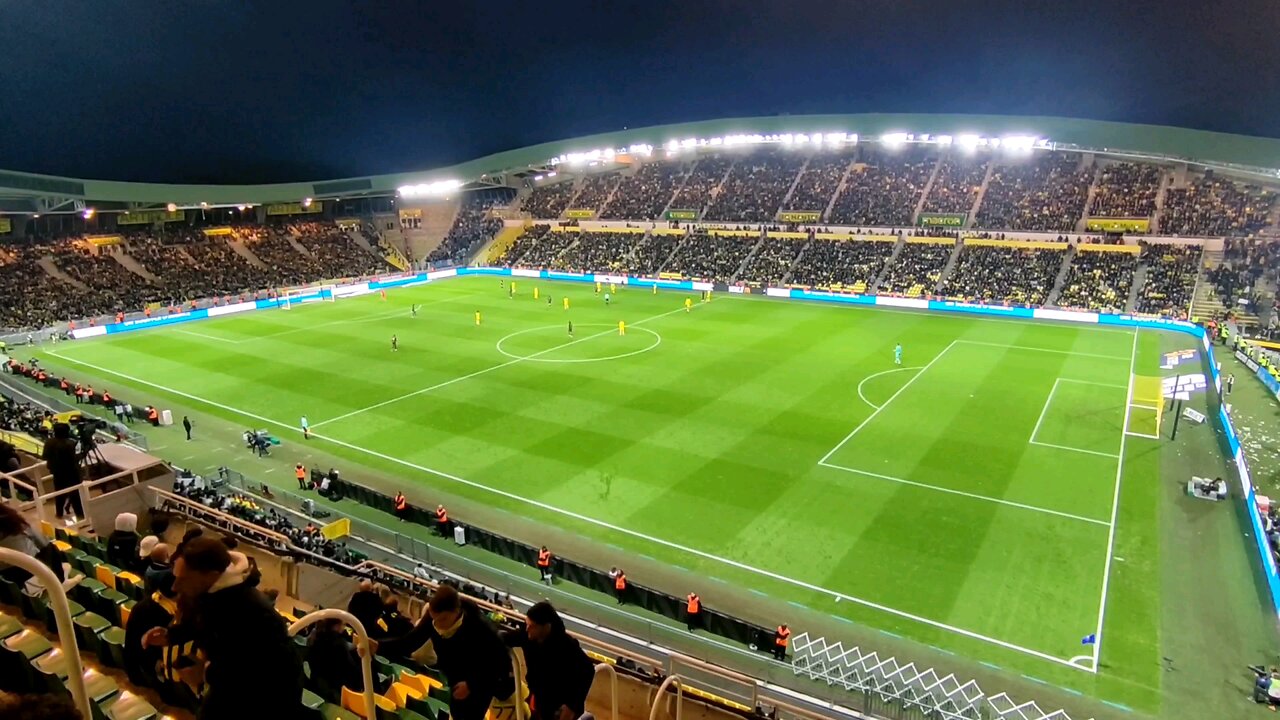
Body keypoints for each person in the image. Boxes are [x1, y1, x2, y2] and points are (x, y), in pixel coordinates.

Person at [142, 537, 304, 719]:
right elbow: (202, 622)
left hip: (267, 695)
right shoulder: (210, 591)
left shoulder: (249, 612)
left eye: (183, 579)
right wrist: (171, 636)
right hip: (232, 685)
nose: (175, 585)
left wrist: (204, 674)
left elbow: (251, 668)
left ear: (210, 576)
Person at [373, 584, 514, 720]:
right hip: (454, 678)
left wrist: (471, 685)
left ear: (456, 612)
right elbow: (409, 642)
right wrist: (378, 646)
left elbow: (501, 665)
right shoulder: (433, 619)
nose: (438, 625)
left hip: (478, 684)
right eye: (434, 620)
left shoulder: (482, 628)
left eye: (443, 619)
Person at [506, 602, 594, 720]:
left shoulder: (567, 646)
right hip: (539, 702)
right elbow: (504, 638)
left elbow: (588, 670)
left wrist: (570, 707)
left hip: (559, 708)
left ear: (547, 627)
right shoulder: (528, 635)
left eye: (532, 626)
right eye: (527, 624)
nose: (527, 629)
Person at [306, 616, 364, 701]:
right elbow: (351, 669)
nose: (344, 627)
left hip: (317, 682)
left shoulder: (313, 637)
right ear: (336, 626)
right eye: (343, 624)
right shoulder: (339, 644)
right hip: (335, 689)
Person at [42, 422, 81, 523]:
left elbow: (44, 456)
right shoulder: (69, 444)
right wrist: (83, 454)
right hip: (71, 473)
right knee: (75, 495)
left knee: (59, 493)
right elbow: (73, 460)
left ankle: (59, 513)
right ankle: (80, 516)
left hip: (56, 472)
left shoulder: (49, 442)